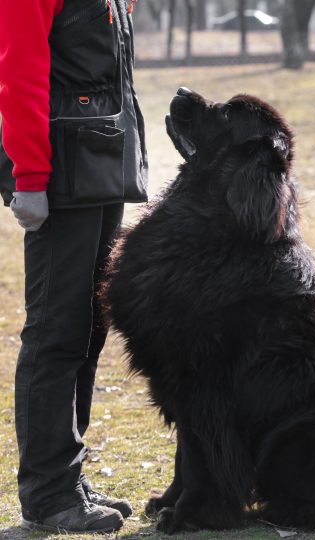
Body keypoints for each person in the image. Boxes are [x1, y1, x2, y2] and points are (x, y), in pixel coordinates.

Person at [0, 0, 148, 533]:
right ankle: (49, 495)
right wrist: (30, 175)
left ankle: (70, 479)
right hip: (59, 168)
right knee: (56, 332)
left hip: (102, 159)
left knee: (88, 330)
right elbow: (18, 74)